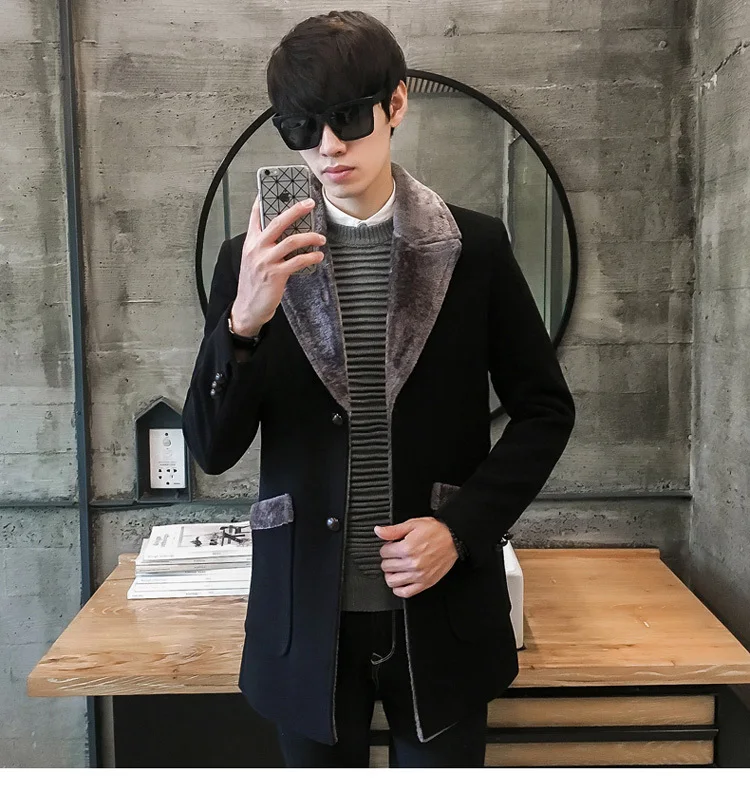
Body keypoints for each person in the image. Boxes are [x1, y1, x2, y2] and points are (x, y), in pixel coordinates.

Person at [182, 9, 575, 768]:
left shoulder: (474, 246)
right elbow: (212, 447)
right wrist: (243, 322)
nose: (328, 147)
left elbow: (546, 412)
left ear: (396, 104)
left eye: (348, 118)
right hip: (305, 617)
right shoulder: (250, 261)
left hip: (442, 612)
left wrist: (461, 528)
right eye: (302, 128)